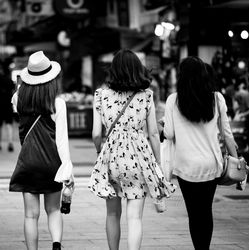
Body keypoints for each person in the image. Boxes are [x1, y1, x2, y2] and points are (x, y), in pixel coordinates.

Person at [89, 49, 175, 250]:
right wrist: (158, 164)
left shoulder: (101, 95)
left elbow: (95, 133)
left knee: (112, 214)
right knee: (134, 217)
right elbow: (154, 133)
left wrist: (99, 151)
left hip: (111, 157)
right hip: (139, 158)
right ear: (137, 69)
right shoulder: (146, 96)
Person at [162, 57, 237, 250]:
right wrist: (237, 160)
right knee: (206, 212)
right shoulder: (216, 98)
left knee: (194, 214)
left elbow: (168, 134)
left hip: (186, 166)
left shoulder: (173, 100)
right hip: (211, 165)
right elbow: (228, 135)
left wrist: (163, 126)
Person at [9, 51, 74, 250]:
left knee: (30, 215)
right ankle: (55, 245)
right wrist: (67, 170)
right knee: (53, 210)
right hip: (51, 165)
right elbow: (62, 140)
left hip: (27, 162)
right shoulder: (58, 104)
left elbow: (18, 116)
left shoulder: (18, 98)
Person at [0, 62, 15, 152]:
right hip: (8, 105)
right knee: (9, 124)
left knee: (0, 126)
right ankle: (10, 143)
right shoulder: (9, 80)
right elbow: (14, 91)